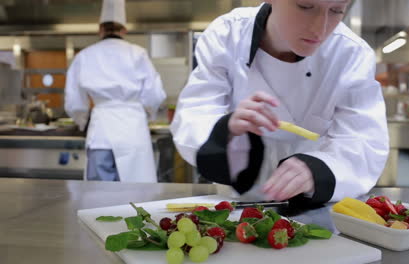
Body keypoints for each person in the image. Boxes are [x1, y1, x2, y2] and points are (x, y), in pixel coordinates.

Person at [171, 0, 389, 206]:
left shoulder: (351, 53)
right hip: (234, 198)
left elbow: (364, 140)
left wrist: (319, 169)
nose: (320, 29)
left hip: (312, 201)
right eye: (305, 6)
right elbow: (196, 113)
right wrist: (224, 131)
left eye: (336, 10)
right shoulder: (228, 33)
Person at [65, 0, 166, 182]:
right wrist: (148, 115)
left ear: (100, 30)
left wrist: (81, 121)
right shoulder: (138, 53)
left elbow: (74, 102)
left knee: (99, 198)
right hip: (133, 130)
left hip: (100, 133)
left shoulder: (85, 56)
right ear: (124, 30)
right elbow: (155, 95)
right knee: (136, 194)